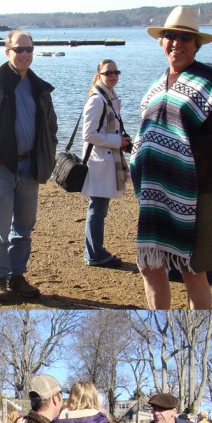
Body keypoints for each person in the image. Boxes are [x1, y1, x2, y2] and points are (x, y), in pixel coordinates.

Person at [130, 9, 212, 314]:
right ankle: (160, 325)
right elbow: (146, 133)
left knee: (193, 271)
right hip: (157, 194)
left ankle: (196, 330)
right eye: (171, 36)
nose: (176, 43)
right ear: (161, 42)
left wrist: (179, 154)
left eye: (185, 37)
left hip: (200, 191)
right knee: (150, 267)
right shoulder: (155, 87)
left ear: (196, 45)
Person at [0, 27, 57, 298]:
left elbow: (51, 125)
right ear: (7, 51)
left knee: (24, 227)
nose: (24, 54)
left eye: (29, 49)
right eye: (19, 49)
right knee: (0, 228)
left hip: (29, 166)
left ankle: (17, 276)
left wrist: (46, 156)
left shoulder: (39, 86)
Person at [79, 54, 132, 270]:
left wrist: (123, 141)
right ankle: (94, 253)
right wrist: (117, 141)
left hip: (104, 160)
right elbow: (89, 134)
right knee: (97, 209)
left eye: (115, 72)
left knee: (99, 209)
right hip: (99, 162)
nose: (112, 76)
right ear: (99, 75)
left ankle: (94, 251)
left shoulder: (108, 95)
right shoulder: (97, 99)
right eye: (108, 72)